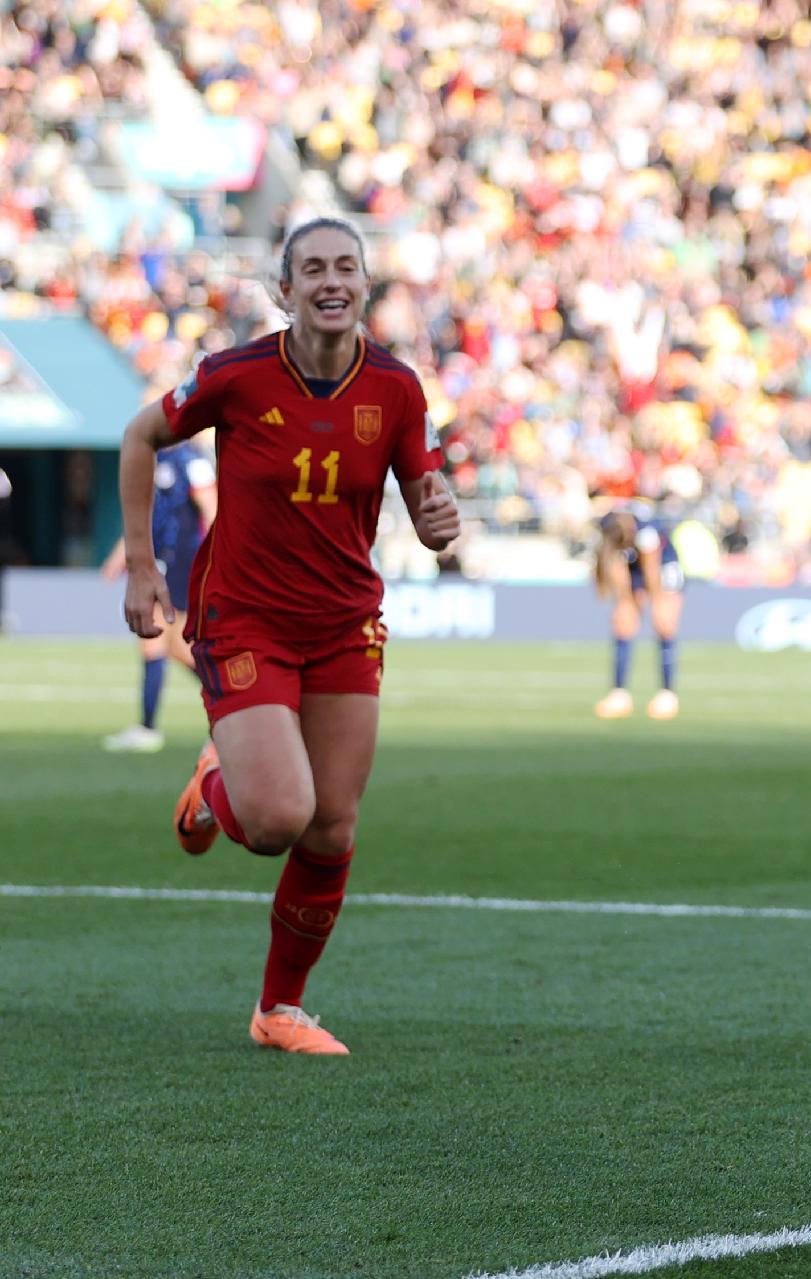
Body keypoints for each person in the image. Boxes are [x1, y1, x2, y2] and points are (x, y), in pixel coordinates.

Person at [117, 217, 460, 1055]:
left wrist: (439, 518)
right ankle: (215, 785)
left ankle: (280, 1011)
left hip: (345, 623)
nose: (331, 280)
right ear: (285, 289)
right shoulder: (235, 377)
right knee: (276, 819)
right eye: (313, 269)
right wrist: (139, 562)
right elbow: (140, 435)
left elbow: (426, 502)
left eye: (347, 266)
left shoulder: (398, 388)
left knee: (332, 826)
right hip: (247, 617)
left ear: (367, 285)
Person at [101, 441, 217, 752]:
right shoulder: (152, 459)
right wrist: (120, 555)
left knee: (168, 641)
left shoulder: (191, 461)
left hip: (182, 564)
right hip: (157, 563)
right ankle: (149, 726)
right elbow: (145, 519)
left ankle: (232, 705)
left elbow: (212, 508)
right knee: (159, 643)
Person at [591, 505, 683, 721]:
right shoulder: (609, 526)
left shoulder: (647, 532)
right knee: (623, 623)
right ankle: (619, 694)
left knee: (664, 624)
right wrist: (624, 601)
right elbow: (614, 564)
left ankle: (667, 695)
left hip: (663, 565)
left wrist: (658, 602)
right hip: (633, 565)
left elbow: (652, 570)